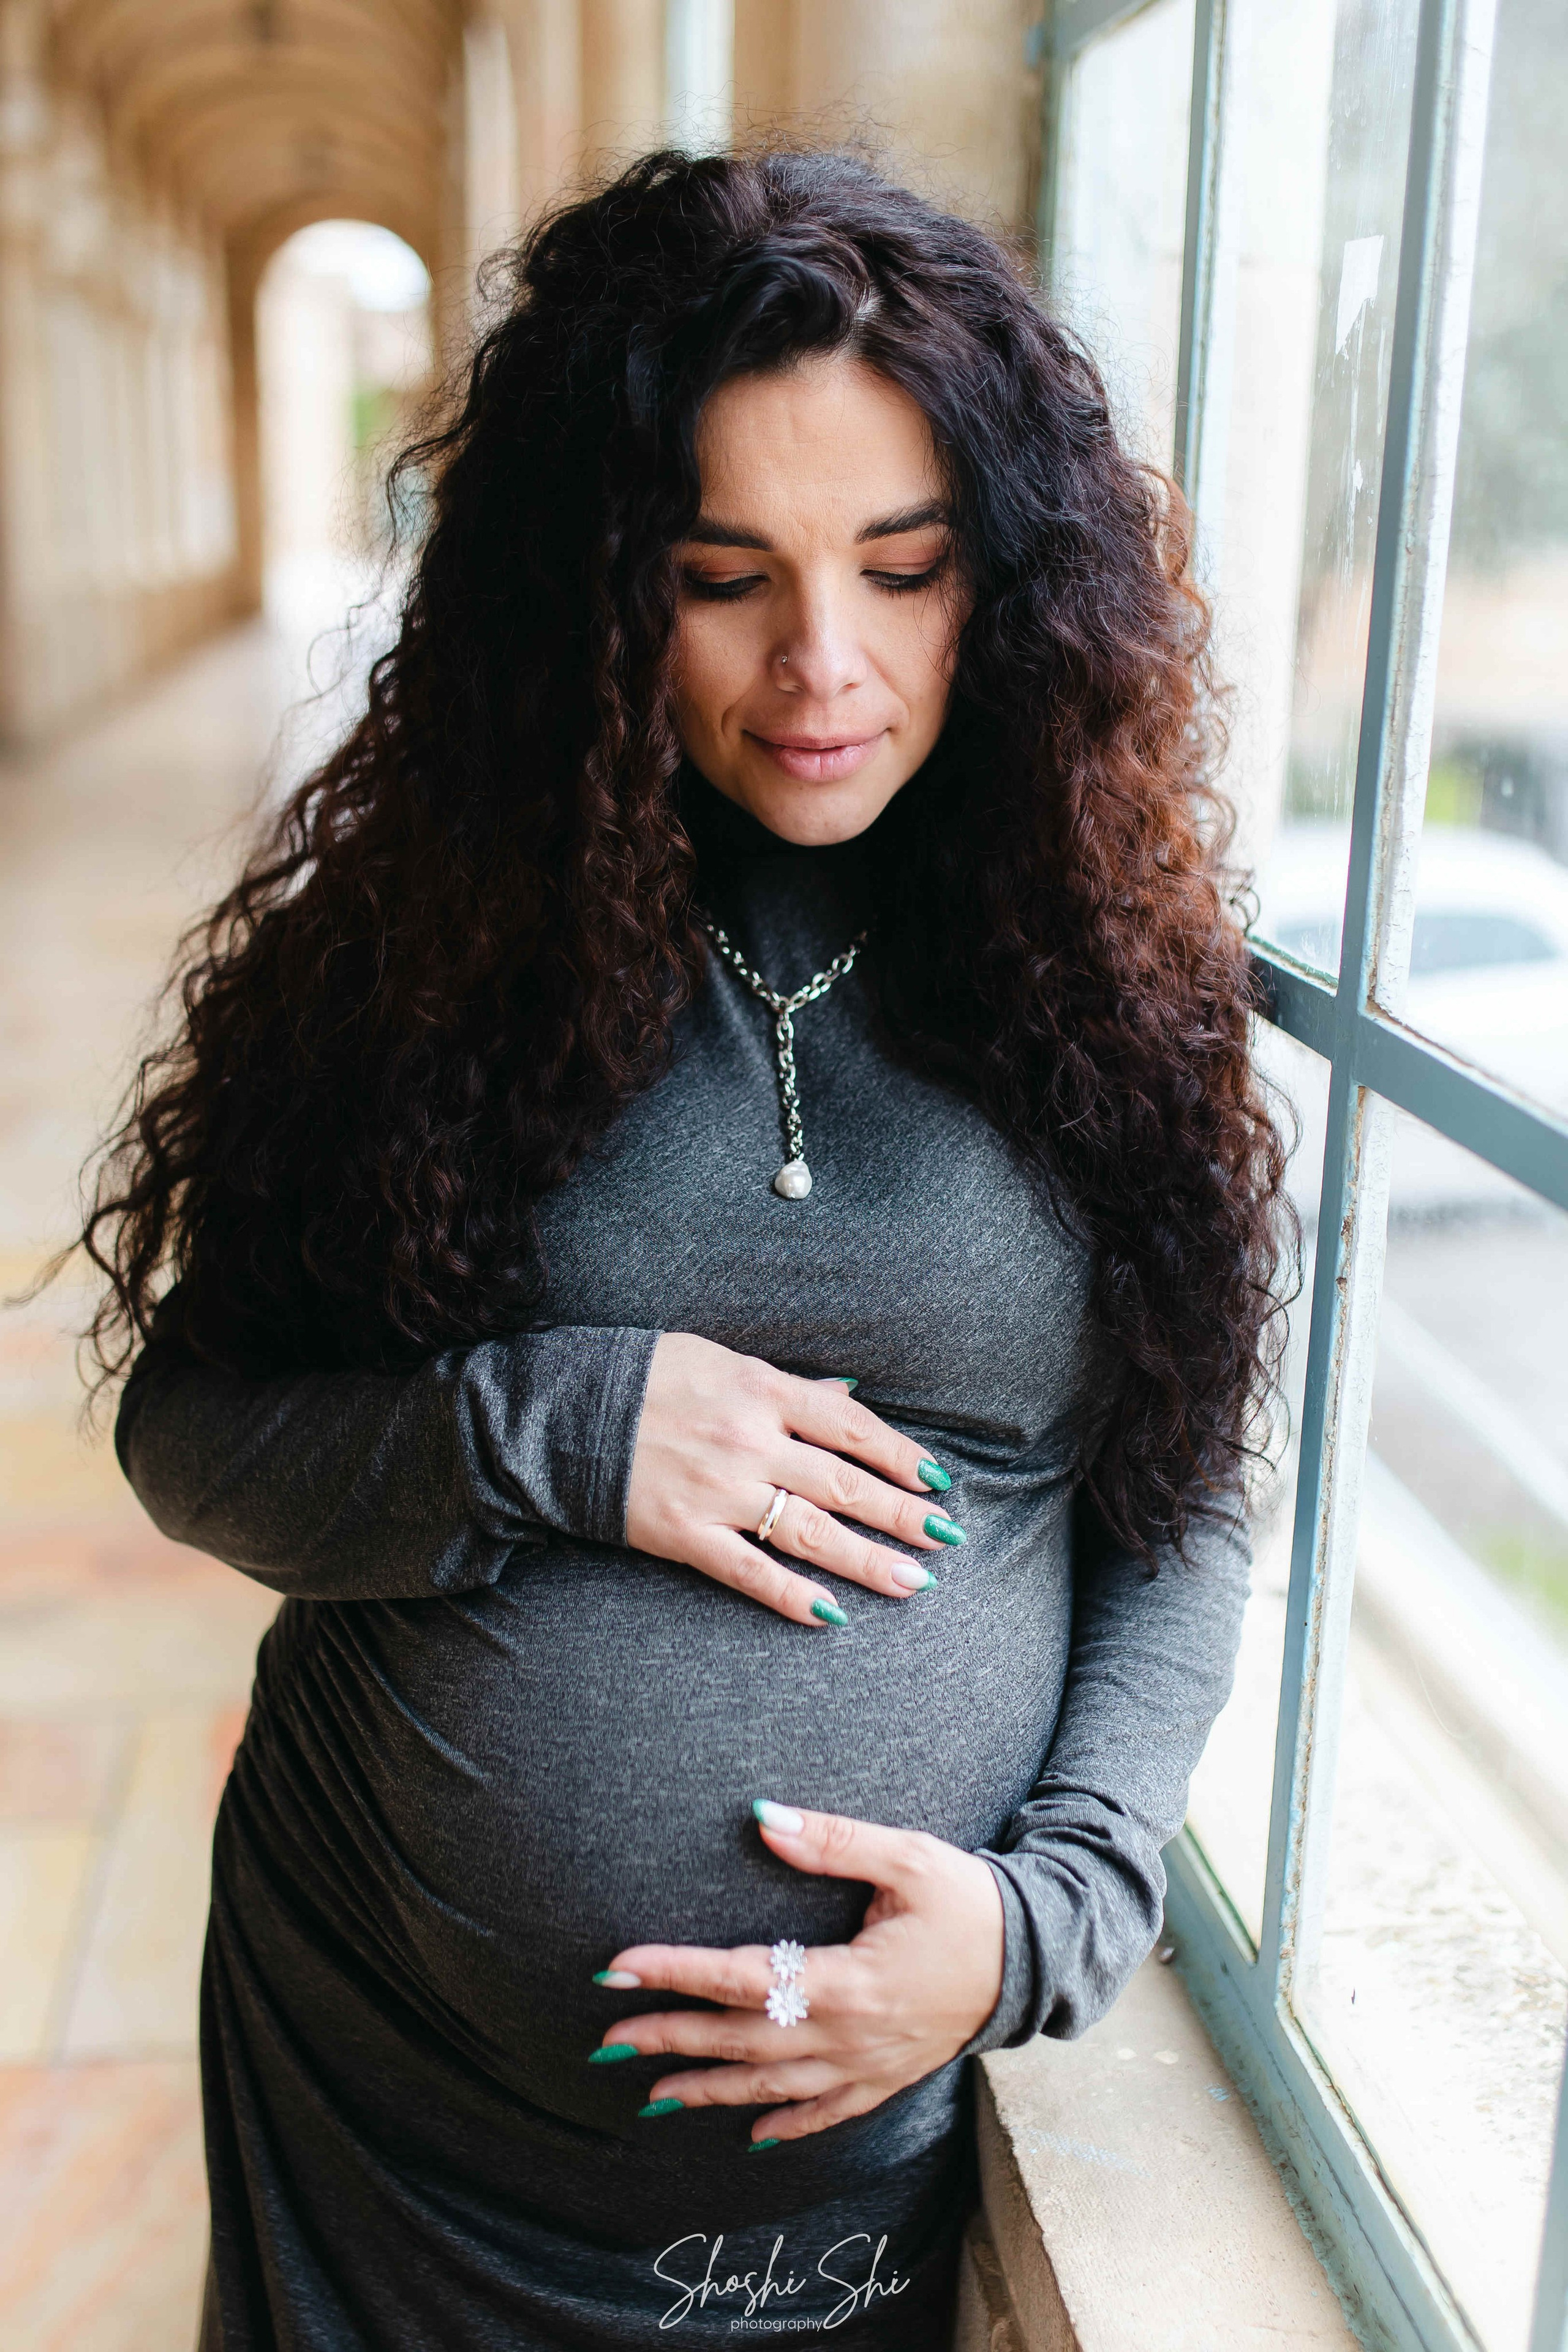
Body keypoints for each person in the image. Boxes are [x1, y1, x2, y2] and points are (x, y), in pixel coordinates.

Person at [83, 148, 1289, 2350]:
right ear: (588, 591)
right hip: (383, 2120)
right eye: (722, 579)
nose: (823, 666)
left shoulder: (1108, 977)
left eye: (903, 570)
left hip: (826, 2227)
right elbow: (196, 1439)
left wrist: (1048, 1918)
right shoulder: (432, 953)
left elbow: (1189, 1490)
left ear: (1011, 580)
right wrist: (553, 1426)